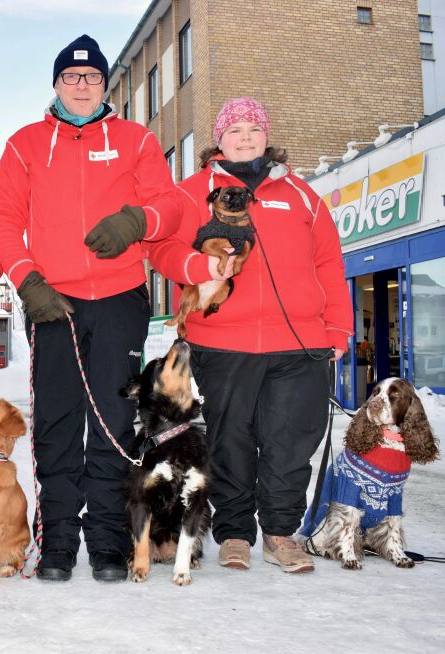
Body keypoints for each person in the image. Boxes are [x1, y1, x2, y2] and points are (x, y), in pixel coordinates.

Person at [0, 35, 187, 583]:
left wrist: (137, 222)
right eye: (71, 78)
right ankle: (58, 545)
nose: (81, 85)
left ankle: (107, 543)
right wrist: (27, 280)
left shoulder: (136, 140)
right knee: (56, 423)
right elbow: (1, 218)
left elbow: (169, 204)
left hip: (120, 299)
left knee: (115, 422)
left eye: (92, 77)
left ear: (104, 85)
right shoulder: (26, 144)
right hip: (54, 303)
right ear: (55, 84)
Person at [148, 96, 353, 573]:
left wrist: (338, 327)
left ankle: (281, 534)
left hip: (300, 342)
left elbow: (328, 263)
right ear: (218, 139)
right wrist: (196, 266)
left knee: (289, 441)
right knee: (231, 439)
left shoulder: (302, 194)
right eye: (234, 129)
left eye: (253, 129)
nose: (244, 137)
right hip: (222, 341)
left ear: (267, 136)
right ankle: (236, 533)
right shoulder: (192, 191)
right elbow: (160, 250)